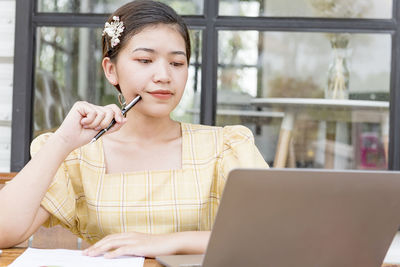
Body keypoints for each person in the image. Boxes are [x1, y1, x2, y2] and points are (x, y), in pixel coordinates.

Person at [0, 0, 267, 259]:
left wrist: (166, 243)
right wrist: (62, 141)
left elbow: (270, 233)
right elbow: (3, 232)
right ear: (111, 70)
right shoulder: (79, 157)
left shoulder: (225, 147)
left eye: (177, 63)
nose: (164, 75)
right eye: (144, 60)